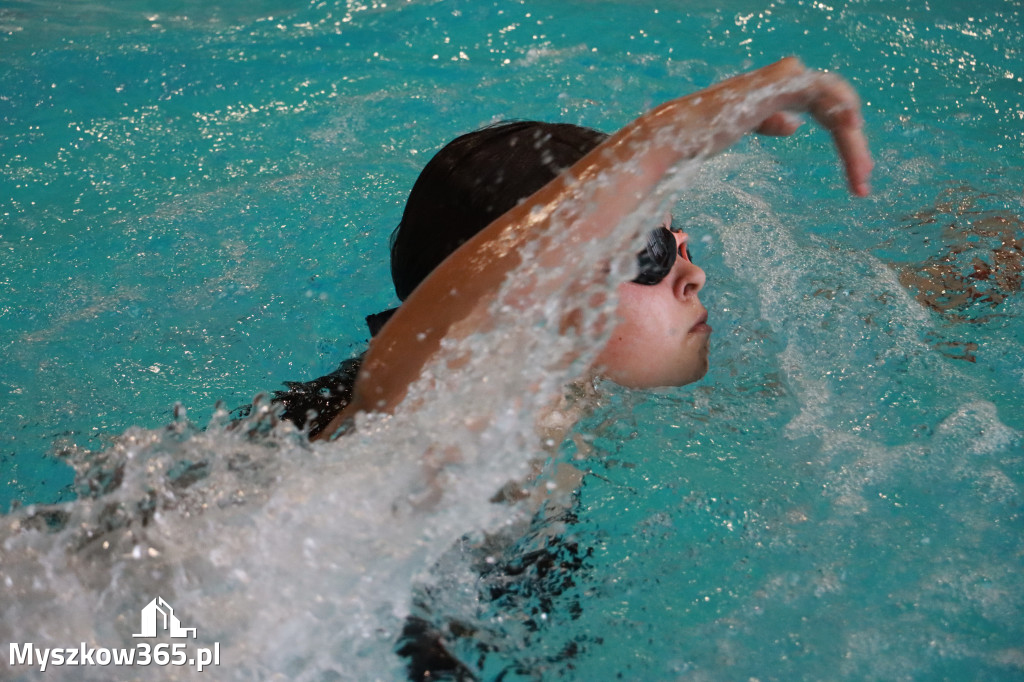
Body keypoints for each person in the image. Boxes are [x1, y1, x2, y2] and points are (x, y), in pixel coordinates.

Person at [270, 57, 872, 442]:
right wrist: (663, 138)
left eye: (678, 240)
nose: (694, 275)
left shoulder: (571, 399)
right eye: (647, 251)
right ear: (531, 291)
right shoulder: (428, 414)